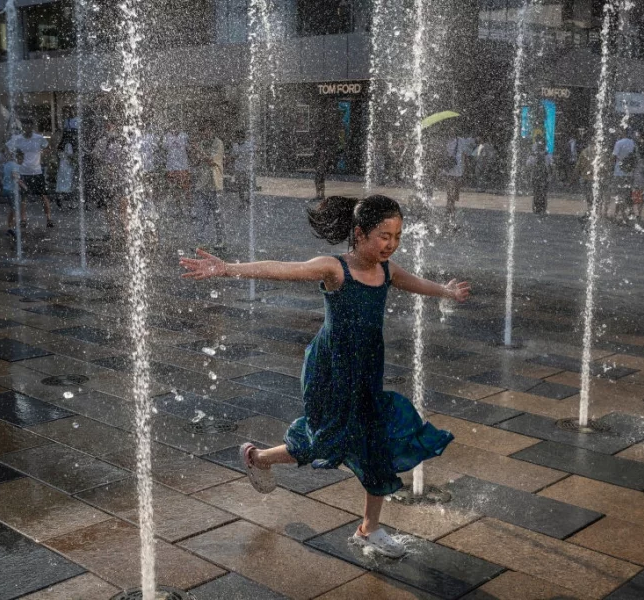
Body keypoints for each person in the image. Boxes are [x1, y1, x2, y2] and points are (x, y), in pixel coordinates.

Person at [179, 194, 468, 558]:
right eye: (384, 236)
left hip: (366, 369)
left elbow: (412, 282)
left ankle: (370, 529)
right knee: (326, 441)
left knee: (375, 439)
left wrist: (443, 290)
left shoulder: (387, 270)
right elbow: (282, 268)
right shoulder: (336, 269)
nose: (391, 244)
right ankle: (258, 458)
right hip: (330, 371)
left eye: (397, 236)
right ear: (359, 234)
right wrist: (226, 268)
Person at [7, 122, 54, 228]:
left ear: (32, 127)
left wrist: (43, 152)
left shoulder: (38, 138)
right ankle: (23, 220)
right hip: (23, 172)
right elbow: (7, 148)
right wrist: (12, 158)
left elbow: (49, 148)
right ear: (23, 128)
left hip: (37, 171)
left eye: (30, 127)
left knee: (43, 196)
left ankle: (49, 219)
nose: (28, 129)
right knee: (23, 197)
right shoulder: (17, 138)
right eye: (26, 127)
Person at [190, 123, 225, 249]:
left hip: (215, 185)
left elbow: (211, 161)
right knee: (201, 215)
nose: (204, 134)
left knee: (217, 215)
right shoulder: (201, 144)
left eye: (206, 131)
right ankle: (201, 241)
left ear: (211, 130)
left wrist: (197, 150)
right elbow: (196, 162)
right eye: (202, 132)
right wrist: (194, 154)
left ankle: (221, 241)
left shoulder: (218, 143)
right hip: (202, 185)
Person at [440, 132, 473, 230]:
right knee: (450, 199)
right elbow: (467, 154)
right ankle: (449, 222)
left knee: (452, 200)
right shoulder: (447, 141)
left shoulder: (461, 141)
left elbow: (466, 155)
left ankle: (449, 222)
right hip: (449, 174)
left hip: (457, 174)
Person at [610, 129, 636, 223]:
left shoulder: (619, 143)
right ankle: (617, 215)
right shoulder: (633, 142)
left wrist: (608, 164)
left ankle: (623, 216)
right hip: (629, 173)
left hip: (619, 172)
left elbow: (613, 156)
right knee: (626, 195)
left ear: (622, 132)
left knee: (619, 195)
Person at [164, 125, 191, 213]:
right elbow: (164, 148)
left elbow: (189, 149)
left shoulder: (184, 135)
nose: (175, 128)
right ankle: (178, 208)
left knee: (185, 187)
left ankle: (189, 207)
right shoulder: (167, 136)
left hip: (183, 165)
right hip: (171, 166)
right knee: (174, 187)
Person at [2, 151, 26, 237]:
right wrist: (25, 187)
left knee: (12, 209)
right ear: (18, 158)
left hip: (6, 189)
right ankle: (15, 230)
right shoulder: (16, 166)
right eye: (22, 159)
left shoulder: (7, 164)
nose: (23, 161)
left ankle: (9, 228)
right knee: (16, 210)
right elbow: (15, 177)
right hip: (12, 190)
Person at [230, 129, 255, 207]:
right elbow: (233, 156)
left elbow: (252, 155)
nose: (237, 139)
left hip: (247, 169)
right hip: (238, 169)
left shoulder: (248, 145)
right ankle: (242, 202)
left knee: (247, 185)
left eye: (239, 137)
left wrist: (240, 156)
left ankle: (248, 199)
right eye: (237, 137)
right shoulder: (235, 145)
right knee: (240, 186)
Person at [529, 136, 550, 215]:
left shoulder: (533, 156)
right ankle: (543, 208)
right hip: (544, 177)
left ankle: (536, 208)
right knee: (544, 193)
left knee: (536, 193)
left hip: (535, 177)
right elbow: (550, 166)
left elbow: (528, 164)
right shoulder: (547, 155)